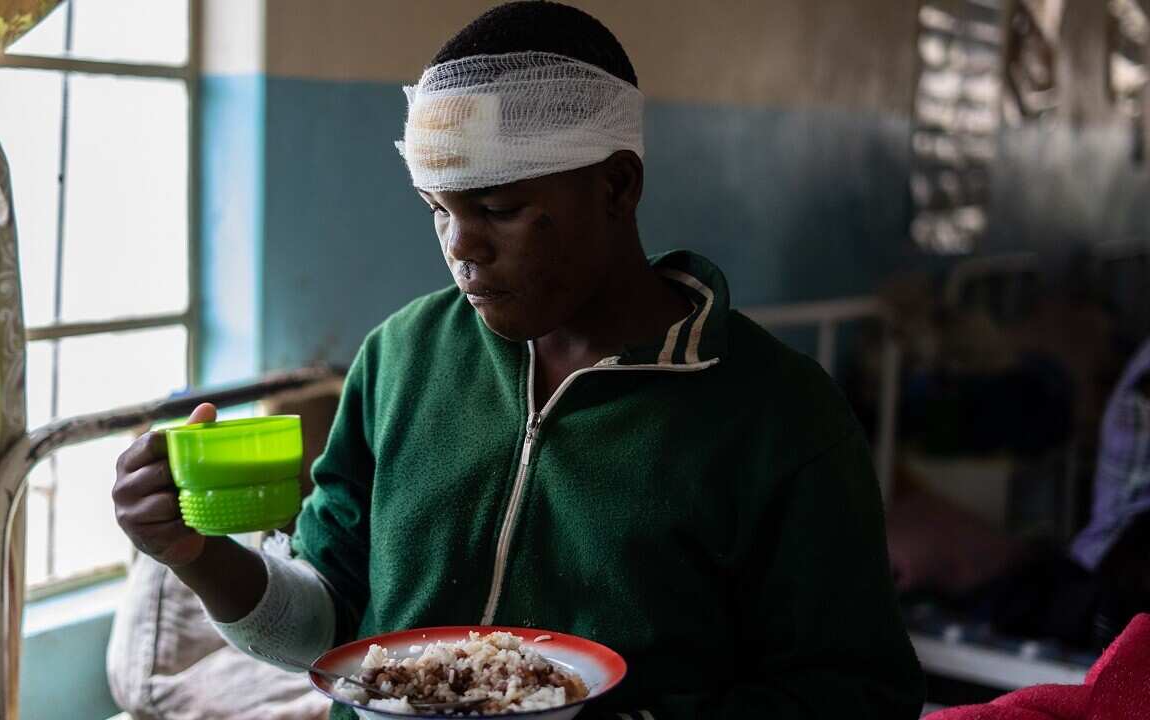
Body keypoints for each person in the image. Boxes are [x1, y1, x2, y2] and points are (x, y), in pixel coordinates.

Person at [112, 3, 924, 717]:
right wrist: (198, 556)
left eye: (498, 209)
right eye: (438, 209)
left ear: (617, 186)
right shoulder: (400, 360)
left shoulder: (775, 414)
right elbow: (323, 629)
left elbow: (858, 693)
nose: (461, 248)